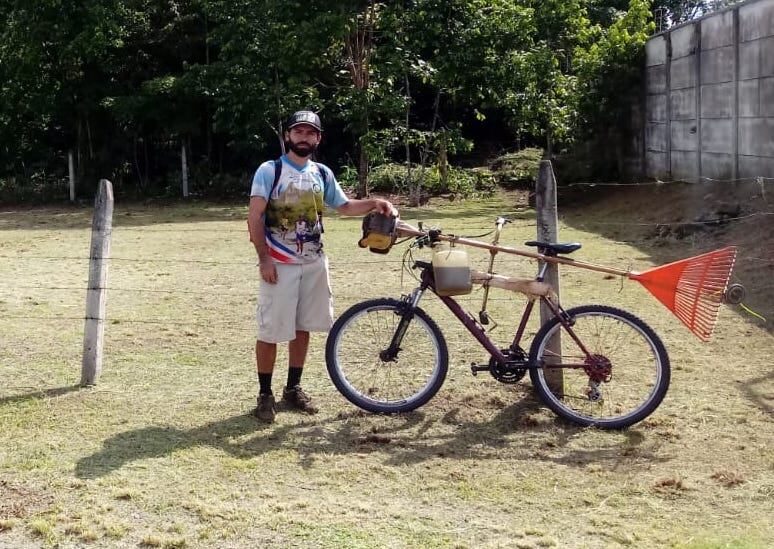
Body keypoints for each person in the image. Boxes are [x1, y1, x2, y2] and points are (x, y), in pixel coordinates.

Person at [247, 110, 396, 422]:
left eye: (310, 132)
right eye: (298, 131)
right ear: (287, 136)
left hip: (314, 262)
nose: (304, 137)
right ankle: (265, 394)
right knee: (271, 330)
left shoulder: (322, 173)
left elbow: (343, 206)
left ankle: (293, 388)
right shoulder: (269, 170)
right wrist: (264, 258)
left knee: (302, 328)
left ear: (318, 138)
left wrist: (373, 202)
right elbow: (254, 217)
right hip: (280, 263)